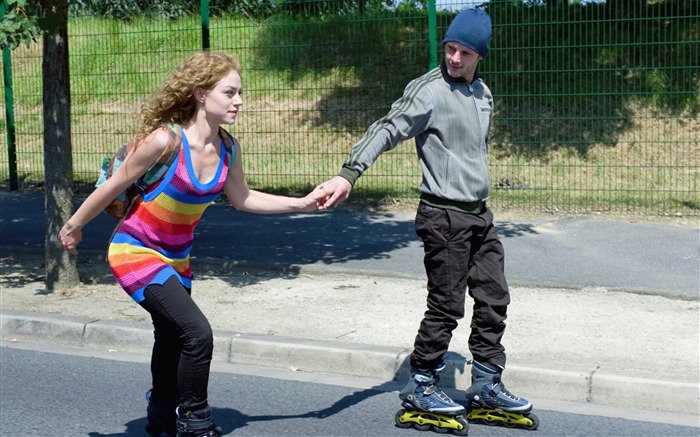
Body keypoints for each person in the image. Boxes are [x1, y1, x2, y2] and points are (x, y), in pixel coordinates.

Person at [59, 51, 324, 437]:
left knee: (170, 336)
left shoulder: (228, 148)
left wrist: (301, 202)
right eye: (230, 92)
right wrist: (74, 225)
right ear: (201, 94)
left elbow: (243, 198)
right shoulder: (164, 141)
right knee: (197, 333)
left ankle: (162, 412)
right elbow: (111, 187)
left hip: (177, 258)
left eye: (239, 93)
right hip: (135, 251)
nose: (239, 101)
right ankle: (195, 420)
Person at [317, 8, 533, 422]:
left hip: (479, 215)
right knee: (447, 304)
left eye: (464, 52)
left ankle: (486, 382)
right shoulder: (428, 90)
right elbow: (387, 127)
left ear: (479, 56)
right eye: (450, 48)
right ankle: (421, 383)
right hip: (442, 216)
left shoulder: (483, 95)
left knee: (494, 297)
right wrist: (349, 174)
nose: (453, 58)